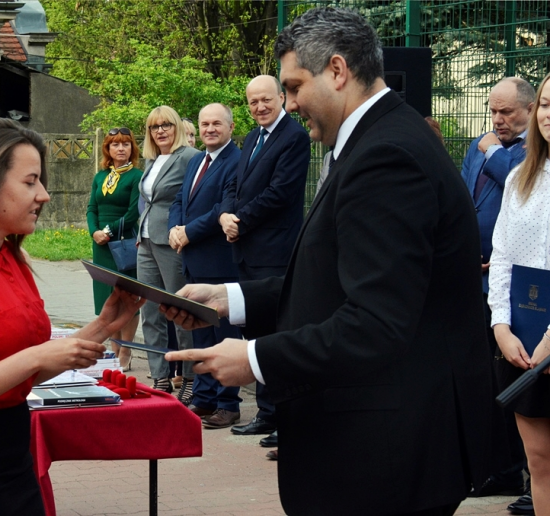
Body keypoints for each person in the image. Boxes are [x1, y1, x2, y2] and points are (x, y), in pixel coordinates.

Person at [163, 7, 492, 515]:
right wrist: (228, 298)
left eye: (294, 87)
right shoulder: (373, 141)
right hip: (377, 442)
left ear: (337, 71)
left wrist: (252, 360)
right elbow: (336, 280)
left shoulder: (387, 157)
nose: (289, 104)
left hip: (385, 453)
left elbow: (376, 324)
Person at [0, 118, 144, 515]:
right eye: (31, 181)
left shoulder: (11, 256)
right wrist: (35, 357)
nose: (45, 195)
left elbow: (18, 375)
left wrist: (103, 326)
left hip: (16, 469)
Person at [218, 74, 310, 442]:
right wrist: (225, 214)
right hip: (244, 248)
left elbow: (280, 193)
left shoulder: (295, 137)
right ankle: (267, 413)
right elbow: (232, 185)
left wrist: (241, 222)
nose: (259, 107)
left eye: (265, 100)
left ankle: (281, 416)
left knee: (274, 334)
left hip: (272, 251)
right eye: (253, 102)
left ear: (281, 97)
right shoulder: (252, 137)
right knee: (253, 332)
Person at [461, 77, 535, 500]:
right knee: (488, 378)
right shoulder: (480, 144)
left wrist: (492, 151)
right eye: (493, 111)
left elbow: (519, 183)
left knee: (519, 376)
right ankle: (501, 469)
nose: (497, 119)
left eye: (506, 111)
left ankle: (530, 475)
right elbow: (464, 194)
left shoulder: (531, 150)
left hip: (520, 283)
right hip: (479, 276)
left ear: (528, 109)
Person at [488, 72, 550, 516]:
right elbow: (503, 255)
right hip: (522, 343)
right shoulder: (520, 179)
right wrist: (500, 325)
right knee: (540, 461)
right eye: (547, 104)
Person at [168, 103, 242, 428]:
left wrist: (188, 232)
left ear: (230, 126)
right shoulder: (197, 159)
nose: (210, 129)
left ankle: (228, 404)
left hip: (219, 262)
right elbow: (179, 200)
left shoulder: (237, 161)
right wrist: (174, 227)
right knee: (201, 336)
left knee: (224, 336)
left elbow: (221, 209)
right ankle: (204, 398)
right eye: (204, 123)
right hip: (193, 261)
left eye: (216, 123)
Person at [137, 105, 199, 401]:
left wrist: (184, 231)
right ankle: (160, 376)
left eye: (165, 125)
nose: (160, 131)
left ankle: (189, 376)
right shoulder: (152, 160)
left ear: (176, 127)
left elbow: (195, 197)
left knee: (179, 310)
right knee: (150, 312)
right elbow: (145, 199)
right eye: (153, 127)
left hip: (171, 243)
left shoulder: (188, 157)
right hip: (146, 242)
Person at [87, 127, 143, 370]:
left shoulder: (137, 176)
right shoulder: (100, 177)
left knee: (127, 296)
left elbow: (133, 213)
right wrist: (94, 231)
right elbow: (92, 208)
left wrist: (108, 232)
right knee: (106, 297)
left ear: (132, 148)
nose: (121, 149)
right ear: (107, 149)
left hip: (124, 243)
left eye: (126, 144)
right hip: (100, 246)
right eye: (115, 145)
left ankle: (126, 349)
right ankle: (114, 348)